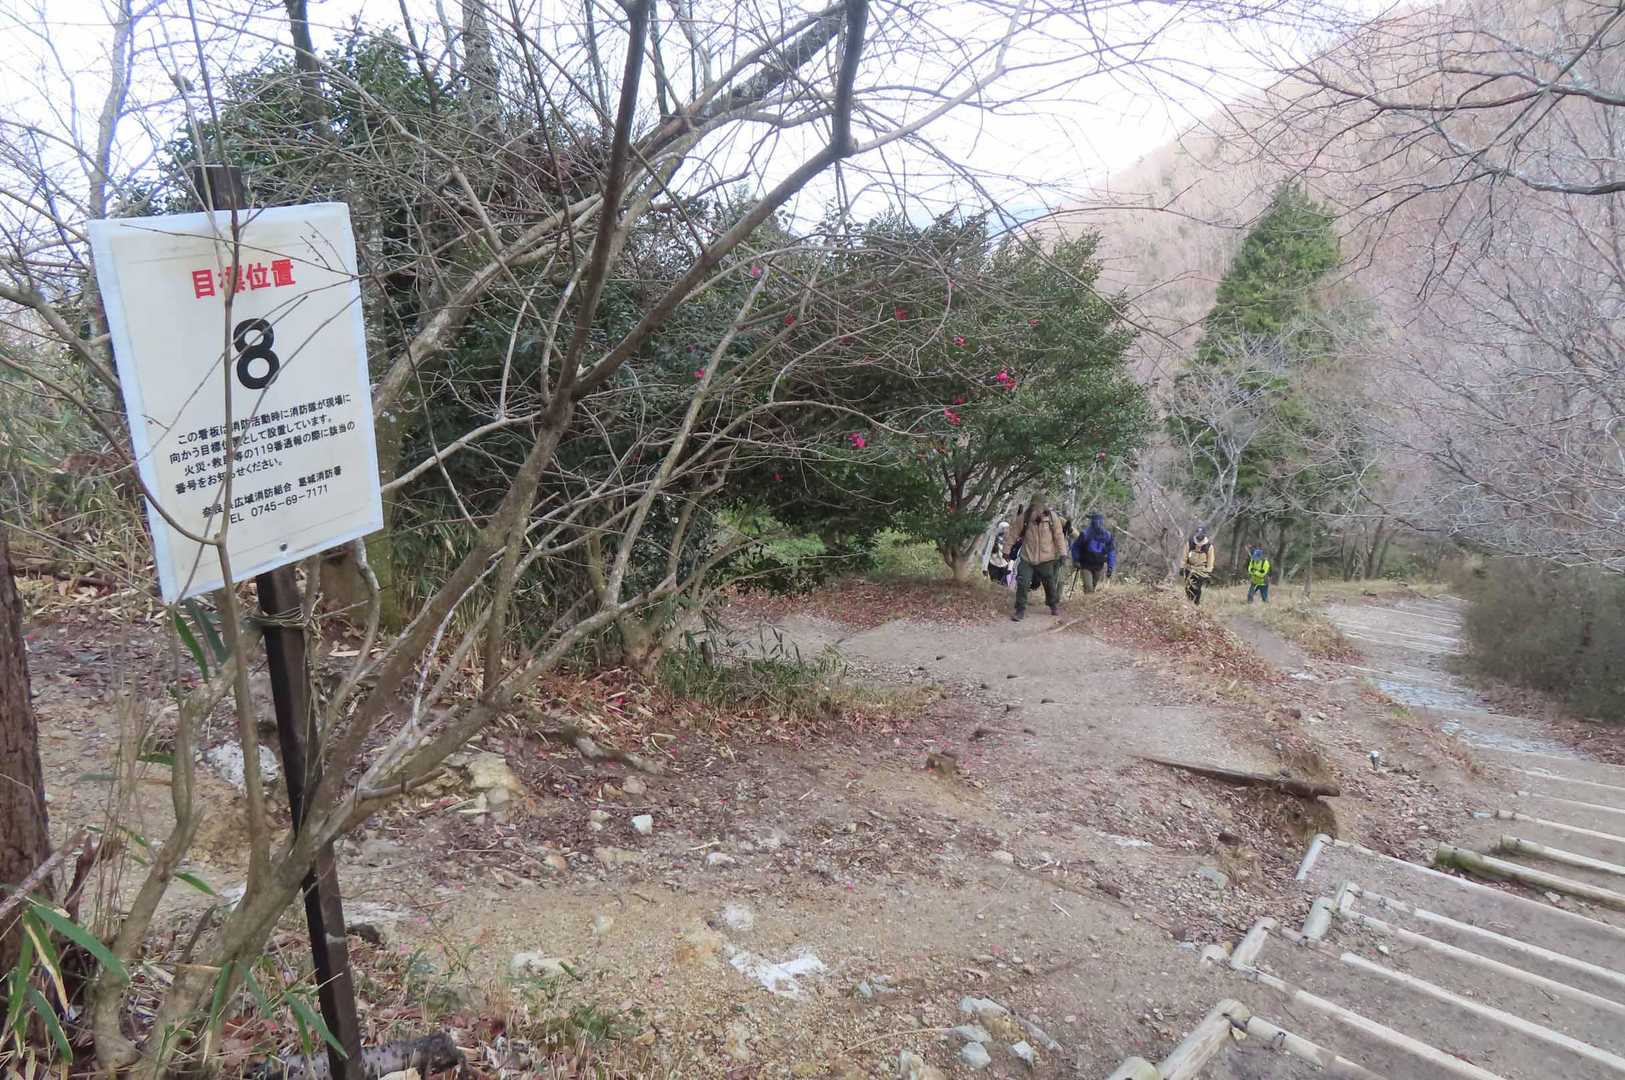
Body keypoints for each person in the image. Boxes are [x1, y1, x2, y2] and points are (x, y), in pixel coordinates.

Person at [1007, 494, 1067, 620]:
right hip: (1027, 557)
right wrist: (1006, 550)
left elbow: (1059, 536)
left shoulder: (1052, 518)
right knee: (1023, 582)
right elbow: (1013, 533)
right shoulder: (1024, 517)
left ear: (1044, 506)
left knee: (1049, 583)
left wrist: (1063, 553)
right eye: (1034, 506)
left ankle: (1053, 604)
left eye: (1039, 506)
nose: (1037, 508)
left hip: (1046, 558)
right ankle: (1020, 609)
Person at [1069, 511, 1116, 593]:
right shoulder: (1085, 534)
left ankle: (1087, 600)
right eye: (1096, 520)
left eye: (1099, 520)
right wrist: (1076, 560)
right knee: (1088, 588)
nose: (1097, 523)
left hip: (1098, 566)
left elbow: (1111, 552)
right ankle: (1087, 599)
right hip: (1085, 565)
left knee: (1093, 587)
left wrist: (1110, 567)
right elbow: (1076, 547)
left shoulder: (1107, 536)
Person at [1182, 525, 1215, 605]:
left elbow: (1210, 560)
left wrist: (1209, 571)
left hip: (1201, 570)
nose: (1199, 536)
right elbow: (1184, 555)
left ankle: (1196, 604)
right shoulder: (1190, 543)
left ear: (1204, 535)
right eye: (1198, 533)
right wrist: (1182, 566)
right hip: (1189, 568)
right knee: (1188, 587)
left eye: (1201, 534)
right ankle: (1189, 603)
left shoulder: (1209, 546)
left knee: (1197, 588)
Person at [987, 521, 1012, 586]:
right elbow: (987, 553)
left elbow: (1012, 556)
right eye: (1004, 528)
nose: (1005, 530)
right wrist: (984, 567)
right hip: (993, 564)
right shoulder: (993, 539)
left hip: (1004, 565)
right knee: (994, 583)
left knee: (1002, 585)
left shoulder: (1010, 540)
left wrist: (1010, 568)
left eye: (1007, 528)